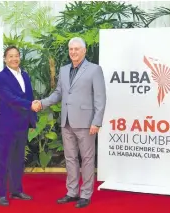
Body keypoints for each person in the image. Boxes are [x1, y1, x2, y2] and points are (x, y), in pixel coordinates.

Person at [33, 37, 106, 208]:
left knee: (87, 159)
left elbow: (100, 98)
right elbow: (58, 93)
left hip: (86, 123)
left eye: (76, 49)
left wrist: (97, 121)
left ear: (84, 50)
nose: (73, 52)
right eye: (71, 49)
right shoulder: (64, 69)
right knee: (70, 158)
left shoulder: (95, 70)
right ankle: (72, 192)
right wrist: (42, 103)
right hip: (66, 121)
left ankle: (86, 194)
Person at [0, 46, 39, 206]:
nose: (14, 59)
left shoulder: (25, 75)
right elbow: (10, 98)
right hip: (6, 125)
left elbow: (30, 96)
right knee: (3, 160)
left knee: (18, 160)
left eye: (16, 56)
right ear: (5, 59)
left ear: (20, 57)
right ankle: (0, 194)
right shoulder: (0, 78)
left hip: (22, 126)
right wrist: (31, 105)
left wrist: (32, 120)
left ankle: (16, 190)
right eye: (10, 56)